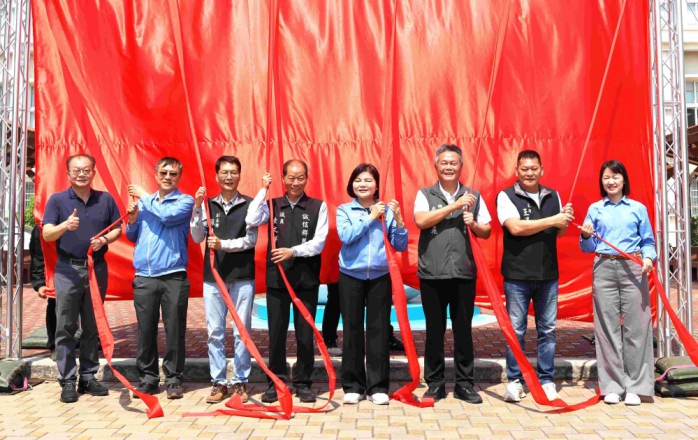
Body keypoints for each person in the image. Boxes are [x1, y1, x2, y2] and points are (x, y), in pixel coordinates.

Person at [414, 144, 491, 404]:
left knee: (463, 331)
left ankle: (464, 385)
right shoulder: (425, 194)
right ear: (436, 166)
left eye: (453, 163)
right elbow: (421, 221)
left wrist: (474, 224)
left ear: (461, 166)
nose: (449, 167)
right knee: (434, 332)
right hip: (432, 275)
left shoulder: (474, 195)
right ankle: (435, 384)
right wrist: (454, 207)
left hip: (463, 273)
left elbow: (487, 231)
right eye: (444, 163)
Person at [246, 160, 328, 403]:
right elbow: (251, 218)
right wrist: (263, 189)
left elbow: (319, 242)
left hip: (306, 280)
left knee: (305, 334)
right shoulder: (272, 205)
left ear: (307, 178)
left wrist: (293, 251)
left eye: (300, 177)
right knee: (276, 334)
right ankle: (276, 382)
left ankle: (303, 383)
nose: (295, 182)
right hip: (277, 279)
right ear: (282, 178)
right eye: (291, 178)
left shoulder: (317, 206)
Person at [42, 154, 122, 403]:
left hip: (96, 269)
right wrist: (65, 226)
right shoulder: (57, 200)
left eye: (86, 170)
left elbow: (117, 228)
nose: (81, 174)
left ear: (93, 172)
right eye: (76, 170)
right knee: (65, 326)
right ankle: (68, 379)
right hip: (68, 269)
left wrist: (105, 239)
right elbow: (47, 234)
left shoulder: (105, 199)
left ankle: (88, 376)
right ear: (68, 174)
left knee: (92, 325)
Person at [496, 150, 574, 403]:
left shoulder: (553, 195)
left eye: (534, 168)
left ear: (542, 170)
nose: (529, 173)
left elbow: (559, 232)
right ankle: (515, 381)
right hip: (517, 276)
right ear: (516, 171)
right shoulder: (506, 196)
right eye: (524, 169)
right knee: (516, 331)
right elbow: (516, 227)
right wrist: (553, 219)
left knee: (548, 331)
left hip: (548, 274)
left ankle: (546, 380)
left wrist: (564, 220)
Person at [580, 159, 656, 406]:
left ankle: (636, 386)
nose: (611, 181)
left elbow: (648, 241)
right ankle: (612, 386)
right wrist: (585, 236)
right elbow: (587, 247)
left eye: (615, 176)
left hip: (632, 267)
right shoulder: (595, 209)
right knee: (607, 328)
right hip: (603, 267)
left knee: (637, 326)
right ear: (601, 182)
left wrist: (648, 258)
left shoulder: (637, 208)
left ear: (624, 180)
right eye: (606, 177)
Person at [337, 163, 408, 405]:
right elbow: (346, 236)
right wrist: (370, 217)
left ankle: (378, 387)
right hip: (350, 275)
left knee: (379, 331)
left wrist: (399, 222)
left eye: (368, 180)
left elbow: (400, 245)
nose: (363, 184)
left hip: (380, 276)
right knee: (352, 330)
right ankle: (353, 387)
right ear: (352, 184)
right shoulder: (345, 210)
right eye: (358, 180)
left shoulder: (386, 212)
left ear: (376, 185)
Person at [190, 156, 259, 404]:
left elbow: (251, 240)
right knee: (215, 332)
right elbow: (197, 236)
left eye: (233, 172)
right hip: (214, 277)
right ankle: (218, 382)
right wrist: (197, 207)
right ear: (216, 176)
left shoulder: (251, 204)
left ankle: (240, 381)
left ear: (240, 175)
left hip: (242, 277)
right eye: (224, 172)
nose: (229, 177)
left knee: (242, 331)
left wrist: (224, 245)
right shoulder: (207, 205)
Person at [126, 157, 194, 400]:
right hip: (144, 277)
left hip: (173, 275)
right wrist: (132, 220)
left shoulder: (185, 201)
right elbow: (132, 236)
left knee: (174, 329)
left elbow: (167, 216)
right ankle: (148, 378)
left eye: (173, 173)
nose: (168, 177)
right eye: (163, 172)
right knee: (145, 330)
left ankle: (174, 379)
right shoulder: (145, 204)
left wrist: (144, 196)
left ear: (179, 177)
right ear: (156, 175)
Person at [29, 224, 56, 361]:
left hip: (83, 270)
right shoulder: (40, 227)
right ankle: (55, 346)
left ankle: (90, 346)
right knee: (56, 306)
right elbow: (37, 257)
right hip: (56, 275)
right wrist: (39, 283)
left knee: (88, 308)